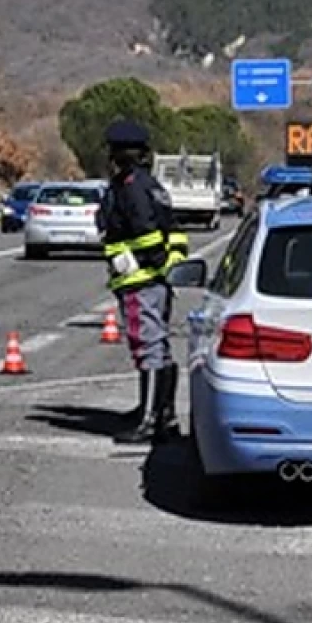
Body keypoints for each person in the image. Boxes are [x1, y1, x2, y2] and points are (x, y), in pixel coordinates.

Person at [97, 120, 192, 444]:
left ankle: (151, 420)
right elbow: (173, 230)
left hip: (140, 279)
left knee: (148, 345)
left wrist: (143, 263)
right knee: (158, 345)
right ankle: (158, 413)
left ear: (119, 154)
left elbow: (146, 233)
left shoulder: (130, 187)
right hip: (154, 280)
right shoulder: (151, 184)